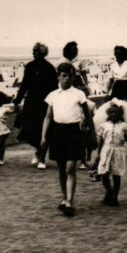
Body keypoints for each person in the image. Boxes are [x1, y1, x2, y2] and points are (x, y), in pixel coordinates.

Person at [40, 63, 94, 217]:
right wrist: (44, 136)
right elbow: (48, 117)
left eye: (70, 75)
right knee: (62, 168)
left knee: (70, 167)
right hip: (58, 132)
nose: (67, 79)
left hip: (74, 132)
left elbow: (88, 116)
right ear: (58, 77)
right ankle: (64, 198)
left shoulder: (78, 94)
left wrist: (92, 134)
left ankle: (70, 201)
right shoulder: (52, 95)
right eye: (64, 75)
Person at [14, 42, 58, 170]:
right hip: (31, 101)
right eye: (33, 51)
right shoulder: (29, 66)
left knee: (42, 129)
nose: (33, 53)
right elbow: (24, 85)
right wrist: (17, 101)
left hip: (44, 102)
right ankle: (38, 149)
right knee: (29, 127)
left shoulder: (49, 68)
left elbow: (53, 87)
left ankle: (41, 154)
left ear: (42, 53)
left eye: (36, 51)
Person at [92, 102, 127, 206]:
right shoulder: (104, 126)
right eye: (111, 112)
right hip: (106, 150)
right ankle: (109, 190)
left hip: (118, 151)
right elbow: (101, 140)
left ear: (120, 114)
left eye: (116, 112)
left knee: (116, 175)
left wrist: (125, 139)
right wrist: (98, 153)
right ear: (108, 114)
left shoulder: (124, 126)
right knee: (103, 173)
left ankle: (115, 197)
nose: (114, 114)